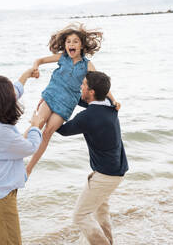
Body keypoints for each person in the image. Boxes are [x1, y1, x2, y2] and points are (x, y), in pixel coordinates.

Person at [26, 23, 120, 176]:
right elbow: (40, 60)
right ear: (65, 44)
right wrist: (35, 68)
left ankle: (29, 168)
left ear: (82, 45)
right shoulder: (62, 57)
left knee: (47, 132)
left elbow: (101, 85)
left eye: (75, 41)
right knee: (39, 122)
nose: (71, 44)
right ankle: (15, 151)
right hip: (51, 95)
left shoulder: (87, 65)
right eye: (68, 41)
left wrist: (114, 101)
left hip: (66, 104)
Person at [56, 71, 129, 245]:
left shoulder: (88, 117)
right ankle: (108, 241)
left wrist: (46, 114)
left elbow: (63, 130)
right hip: (117, 170)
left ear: (91, 92)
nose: (81, 86)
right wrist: (68, 94)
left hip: (105, 175)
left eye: (84, 85)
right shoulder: (110, 104)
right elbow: (84, 101)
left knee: (79, 216)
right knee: (100, 211)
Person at [0, 68, 43, 245]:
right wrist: (35, 126)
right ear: (6, 104)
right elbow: (31, 147)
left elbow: (14, 91)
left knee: (10, 240)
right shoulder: (1, 133)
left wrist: (27, 74)